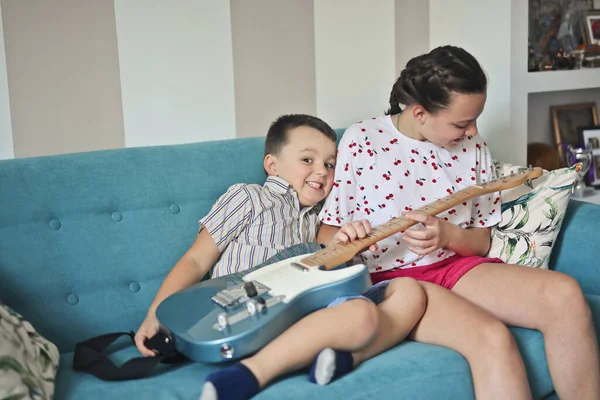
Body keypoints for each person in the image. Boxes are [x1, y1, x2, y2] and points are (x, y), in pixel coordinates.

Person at [318, 45, 600, 400]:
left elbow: (482, 242)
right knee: (492, 337)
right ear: (419, 112)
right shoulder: (362, 142)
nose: (472, 132)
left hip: (457, 267)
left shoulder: (474, 147)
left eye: (476, 119)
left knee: (567, 295)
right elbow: (326, 232)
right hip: (395, 282)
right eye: (462, 122)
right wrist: (346, 235)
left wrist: (449, 235)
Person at [134, 114, 427, 400]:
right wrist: (155, 313)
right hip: (243, 316)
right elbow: (196, 260)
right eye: (307, 160)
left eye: (330, 164)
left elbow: (331, 271)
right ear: (272, 165)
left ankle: (346, 357)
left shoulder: (320, 220)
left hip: (302, 315)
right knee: (361, 316)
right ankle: (250, 374)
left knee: (410, 291)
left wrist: (347, 243)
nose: (323, 171)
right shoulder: (248, 197)